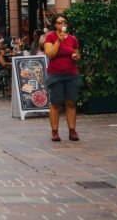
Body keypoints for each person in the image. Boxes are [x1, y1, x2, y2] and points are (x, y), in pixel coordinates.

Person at [43, 13, 81, 142]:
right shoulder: (50, 37)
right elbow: (50, 54)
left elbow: (77, 54)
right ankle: (54, 131)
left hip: (71, 73)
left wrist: (76, 57)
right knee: (56, 103)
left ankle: (72, 131)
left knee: (71, 102)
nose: (63, 24)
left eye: (64, 22)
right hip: (56, 74)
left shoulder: (72, 39)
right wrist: (59, 40)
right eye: (59, 22)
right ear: (55, 25)